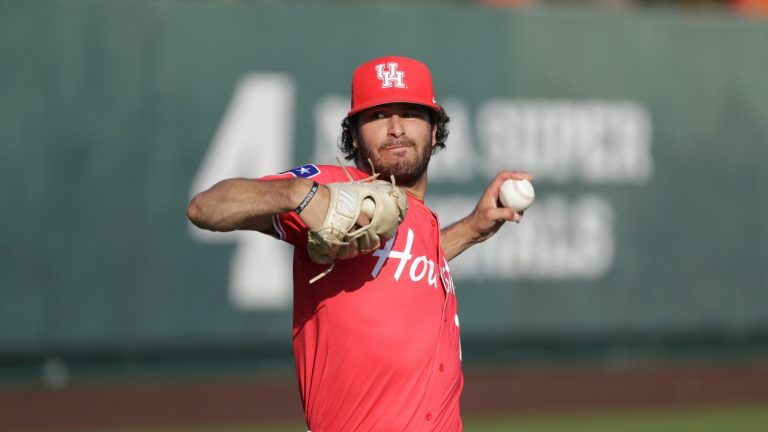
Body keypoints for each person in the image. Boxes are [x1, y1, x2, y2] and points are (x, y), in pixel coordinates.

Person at [187, 55, 532, 431]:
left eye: (410, 113)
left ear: (435, 131)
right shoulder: (337, 187)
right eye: (379, 116)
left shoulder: (422, 224)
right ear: (353, 134)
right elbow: (206, 207)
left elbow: (398, 267)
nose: (397, 128)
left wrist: (470, 229)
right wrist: (301, 194)